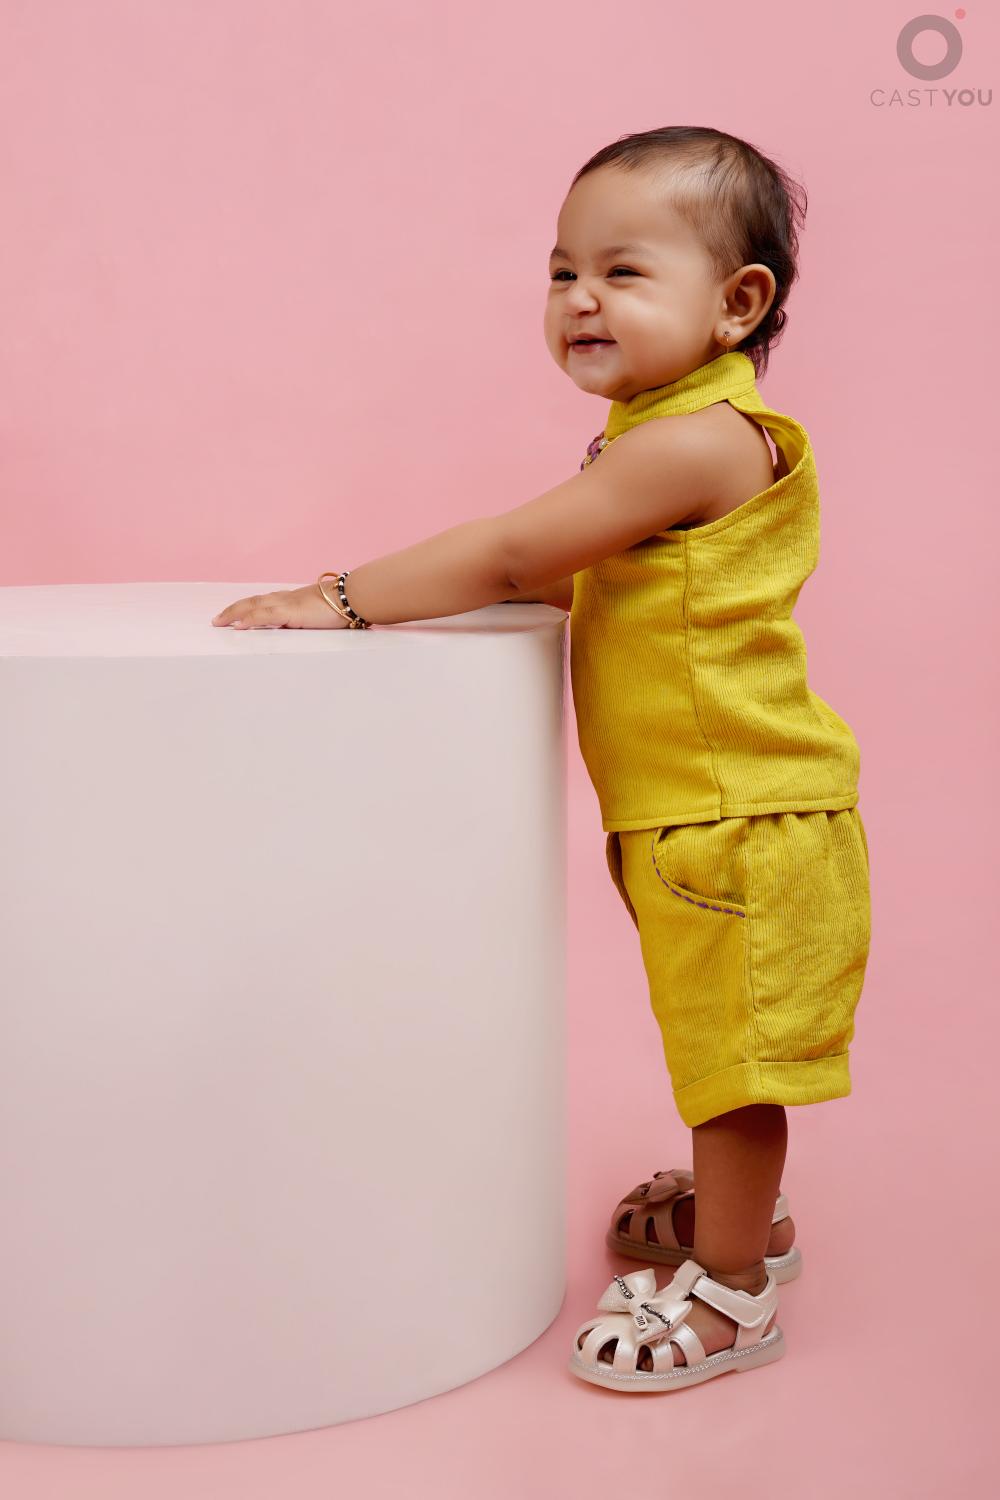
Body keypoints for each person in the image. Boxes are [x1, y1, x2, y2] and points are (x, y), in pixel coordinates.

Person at [211, 125, 871, 1395]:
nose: (579, 298)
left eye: (623, 272)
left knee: (732, 1065)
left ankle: (736, 1290)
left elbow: (522, 553)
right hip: (693, 810)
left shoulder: (694, 441)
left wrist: (341, 597)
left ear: (737, 305)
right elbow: (594, 580)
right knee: (712, 1039)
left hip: (740, 813)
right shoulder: (651, 435)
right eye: (562, 270)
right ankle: (745, 1215)